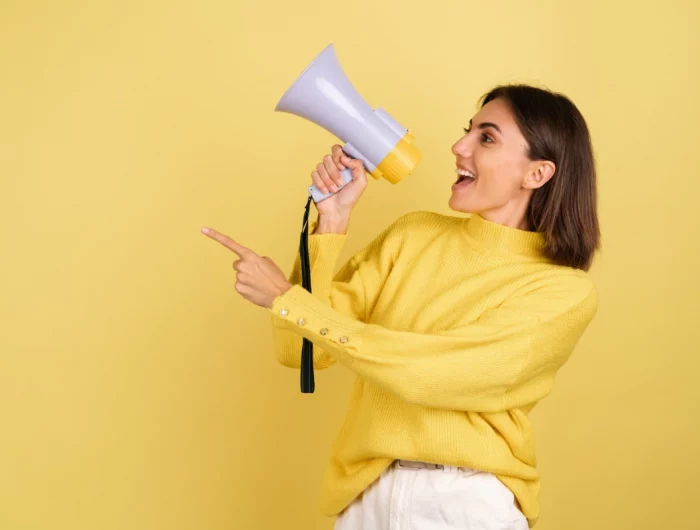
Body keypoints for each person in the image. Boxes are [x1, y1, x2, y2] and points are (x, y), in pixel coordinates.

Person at [202, 84, 600, 529]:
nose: (459, 146)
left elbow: (430, 374)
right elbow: (302, 350)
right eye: (467, 131)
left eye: (486, 138)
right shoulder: (412, 236)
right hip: (365, 496)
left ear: (537, 174)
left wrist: (286, 299)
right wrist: (330, 223)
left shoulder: (561, 291)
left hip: (464, 505)